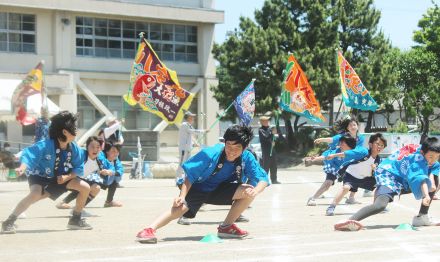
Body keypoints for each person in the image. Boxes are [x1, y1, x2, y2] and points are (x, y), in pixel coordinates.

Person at [135, 125, 269, 244]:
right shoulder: (210, 153)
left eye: (237, 148)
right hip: (199, 188)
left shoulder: (247, 157)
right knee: (180, 209)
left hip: (220, 190)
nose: (231, 151)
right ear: (224, 142)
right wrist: (182, 196)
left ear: (245, 148)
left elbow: (262, 178)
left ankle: (226, 227)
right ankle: (149, 229)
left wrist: (255, 191)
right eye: (229, 145)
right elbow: (190, 176)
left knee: (249, 190)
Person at [1, 111, 92, 234]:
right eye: (74, 128)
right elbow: (29, 155)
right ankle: (9, 222)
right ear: (65, 132)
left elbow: (78, 168)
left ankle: (75, 219)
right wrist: (22, 168)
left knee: (85, 187)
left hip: (61, 177)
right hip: (40, 175)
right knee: (35, 194)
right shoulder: (44, 145)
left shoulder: (74, 148)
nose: (76, 131)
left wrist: (67, 177)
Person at [334, 137, 440, 231]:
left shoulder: (428, 152)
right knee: (380, 205)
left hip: (403, 178)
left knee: (435, 179)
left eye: (437, 157)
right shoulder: (418, 160)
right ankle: (349, 221)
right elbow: (420, 178)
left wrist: (433, 185)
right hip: (389, 175)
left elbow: (432, 168)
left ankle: (422, 216)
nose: (433, 160)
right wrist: (426, 195)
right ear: (422, 152)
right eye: (431, 157)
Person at [306, 117, 365, 205]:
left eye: (354, 124)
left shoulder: (360, 138)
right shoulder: (342, 137)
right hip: (335, 163)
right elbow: (332, 140)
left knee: (356, 177)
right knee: (328, 183)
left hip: (348, 163)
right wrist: (321, 140)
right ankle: (313, 198)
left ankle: (351, 198)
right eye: (350, 125)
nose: (352, 126)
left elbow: (357, 151)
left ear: (357, 126)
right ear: (347, 128)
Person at [326, 133, 387, 216]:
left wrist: (375, 169)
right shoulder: (364, 152)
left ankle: (376, 206)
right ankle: (331, 207)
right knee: (346, 188)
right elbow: (348, 153)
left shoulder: (378, 159)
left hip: (365, 178)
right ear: (370, 144)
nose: (379, 146)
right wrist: (334, 155)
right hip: (351, 175)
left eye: (382, 145)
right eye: (377, 144)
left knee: (381, 185)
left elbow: (378, 172)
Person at [55, 136, 113, 212]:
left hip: (79, 180)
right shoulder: (81, 154)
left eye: (98, 147)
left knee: (96, 188)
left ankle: (78, 208)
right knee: (85, 187)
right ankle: (75, 210)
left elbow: (111, 168)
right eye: (92, 146)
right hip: (66, 178)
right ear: (87, 147)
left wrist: (108, 172)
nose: (95, 149)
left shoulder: (100, 159)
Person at [175, 111, 206, 185]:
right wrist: (204, 131)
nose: (193, 118)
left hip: (188, 149)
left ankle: (186, 179)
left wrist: (194, 144)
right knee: (181, 164)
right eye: (191, 117)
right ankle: (177, 179)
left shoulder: (188, 125)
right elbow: (193, 131)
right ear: (188, 117)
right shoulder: (185, 125)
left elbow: (188, 137)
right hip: (183, 149)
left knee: (187, 164)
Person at [100, 142, 124, 207]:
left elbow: (120, 170)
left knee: (116, 179)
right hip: (96, 177)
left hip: (106, 179)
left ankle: (109, 201)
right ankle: (79, 204)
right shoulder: (101, 157)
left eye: (117, 152)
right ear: (107, 151)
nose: (116, 153)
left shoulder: (116, 160)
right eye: (113, 151)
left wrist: (112, 172)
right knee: (87, 188)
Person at [259, 113, 280, 184]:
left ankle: (274, 180)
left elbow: (273, 138)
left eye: (268, 120)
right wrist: (272, 133)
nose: (267, 122)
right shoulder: (261, 130)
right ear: (262, 122)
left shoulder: (270, 129)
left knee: (274, 165)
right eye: (266, 121)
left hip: (272, 149)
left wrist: (274, 139)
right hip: (266, 151)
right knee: (266, 166)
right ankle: (264, 180)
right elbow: (266, 137)